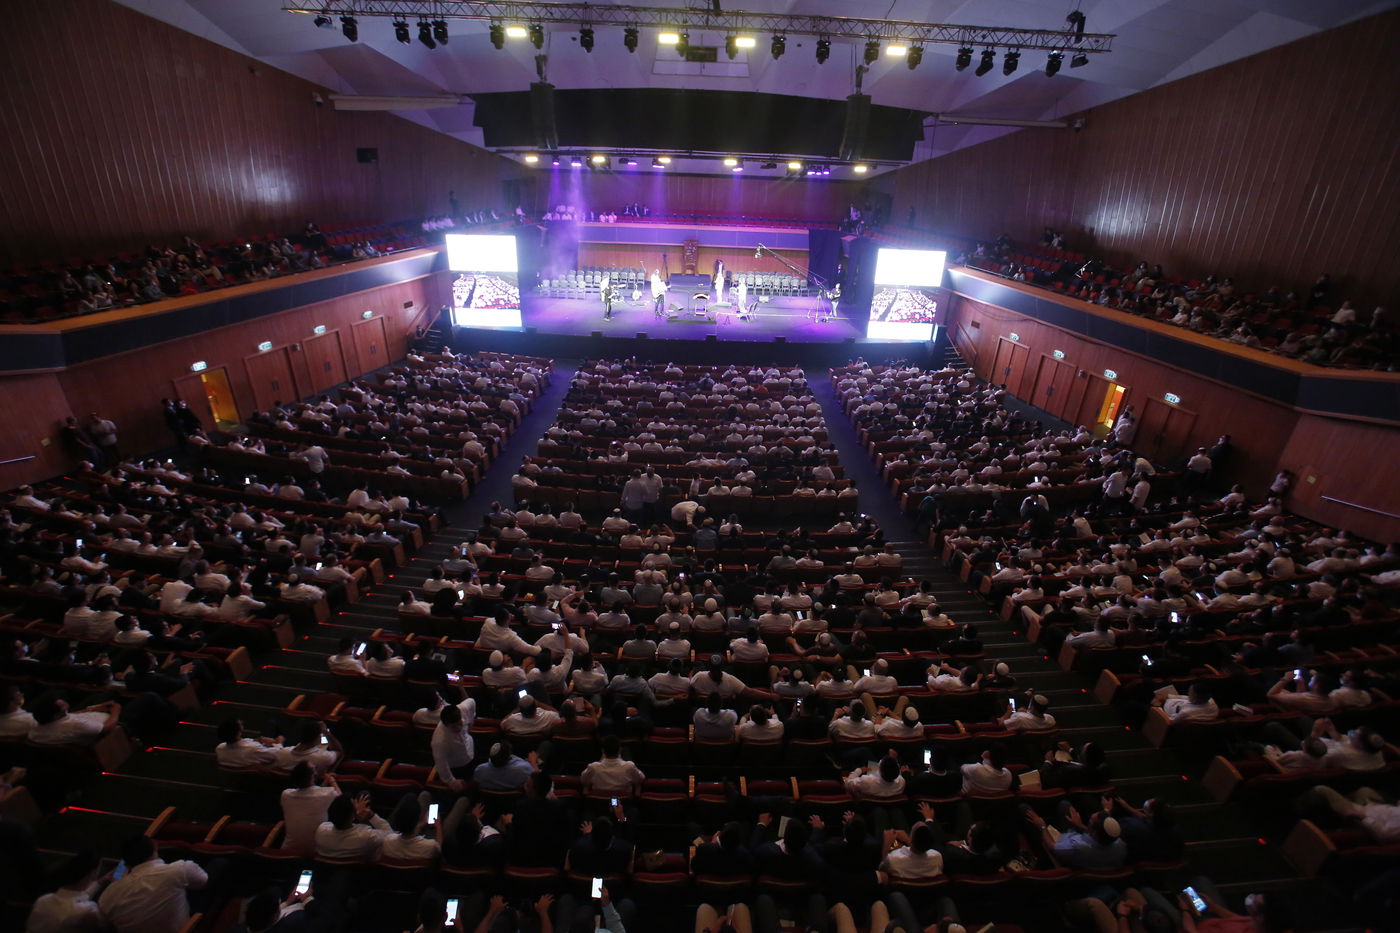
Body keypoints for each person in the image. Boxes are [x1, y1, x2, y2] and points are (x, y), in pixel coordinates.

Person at [98, 835, 209, 933]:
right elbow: (203, 882)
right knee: (219, 864)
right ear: (155, 847)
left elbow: (106, 926)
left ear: (125, 863)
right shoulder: (179, 870)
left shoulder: (108, 895)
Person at [24, 849, 104, 933]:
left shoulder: (42, 900)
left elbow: (74, 899)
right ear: (93, 874)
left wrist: (101, 882)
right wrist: (119, 870)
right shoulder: (87, 910)